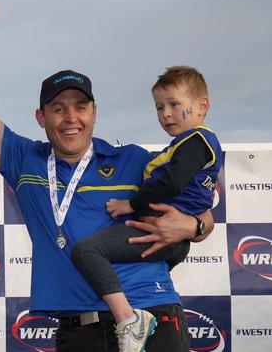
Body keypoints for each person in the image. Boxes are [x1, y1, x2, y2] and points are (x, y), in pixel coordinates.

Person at [0, 0, 213, 352]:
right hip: (78, 330)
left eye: (80, 107)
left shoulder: (134, 160)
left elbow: (203, 215)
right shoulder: (24, 159)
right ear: (40, 117)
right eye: (58, 109)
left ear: (94, 112)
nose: (71, 118)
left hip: (152, 315)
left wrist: (192, 226)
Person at [70, 66, 221, 352]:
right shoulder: (181, 146)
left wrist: (131, 203)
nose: (165, 114)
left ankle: (129, 320)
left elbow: (174, 183)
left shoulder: (197, 141)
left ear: (202, 106)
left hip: (160, 231)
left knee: (86, 251)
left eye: (174, 105)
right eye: (159, 107)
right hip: (170, 243)